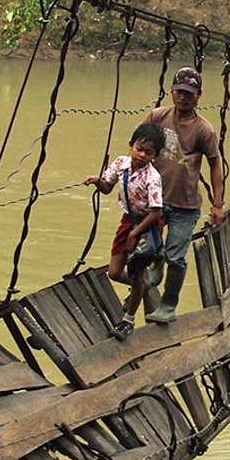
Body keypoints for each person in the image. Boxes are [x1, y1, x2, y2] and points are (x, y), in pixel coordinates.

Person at [141, 67, 225, 323]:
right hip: (155, 199)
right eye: (179, 92)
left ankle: (168, 305)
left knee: (176, 258)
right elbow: (138, 143)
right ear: (172, 91)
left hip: (185, 205)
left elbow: (215, 165)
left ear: (199, 95)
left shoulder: (204, 130)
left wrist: (217, 205)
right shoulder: (158, 116)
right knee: (148, 246)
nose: (183, 97)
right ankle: (156, 263)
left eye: (189, 93)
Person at [84, 122, 166, 340]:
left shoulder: (153, 178)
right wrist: (97, 181)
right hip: (128, 220)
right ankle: (142, 286)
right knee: (114, 272)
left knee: (136, 272)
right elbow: (107, 187)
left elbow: (156, 212)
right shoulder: (121, 163)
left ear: (155, 156)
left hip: (148, 225)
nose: (142, 155)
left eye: (149, 153)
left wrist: (134, 234)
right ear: (131, 146)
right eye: (139, 149)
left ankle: (128, 320)